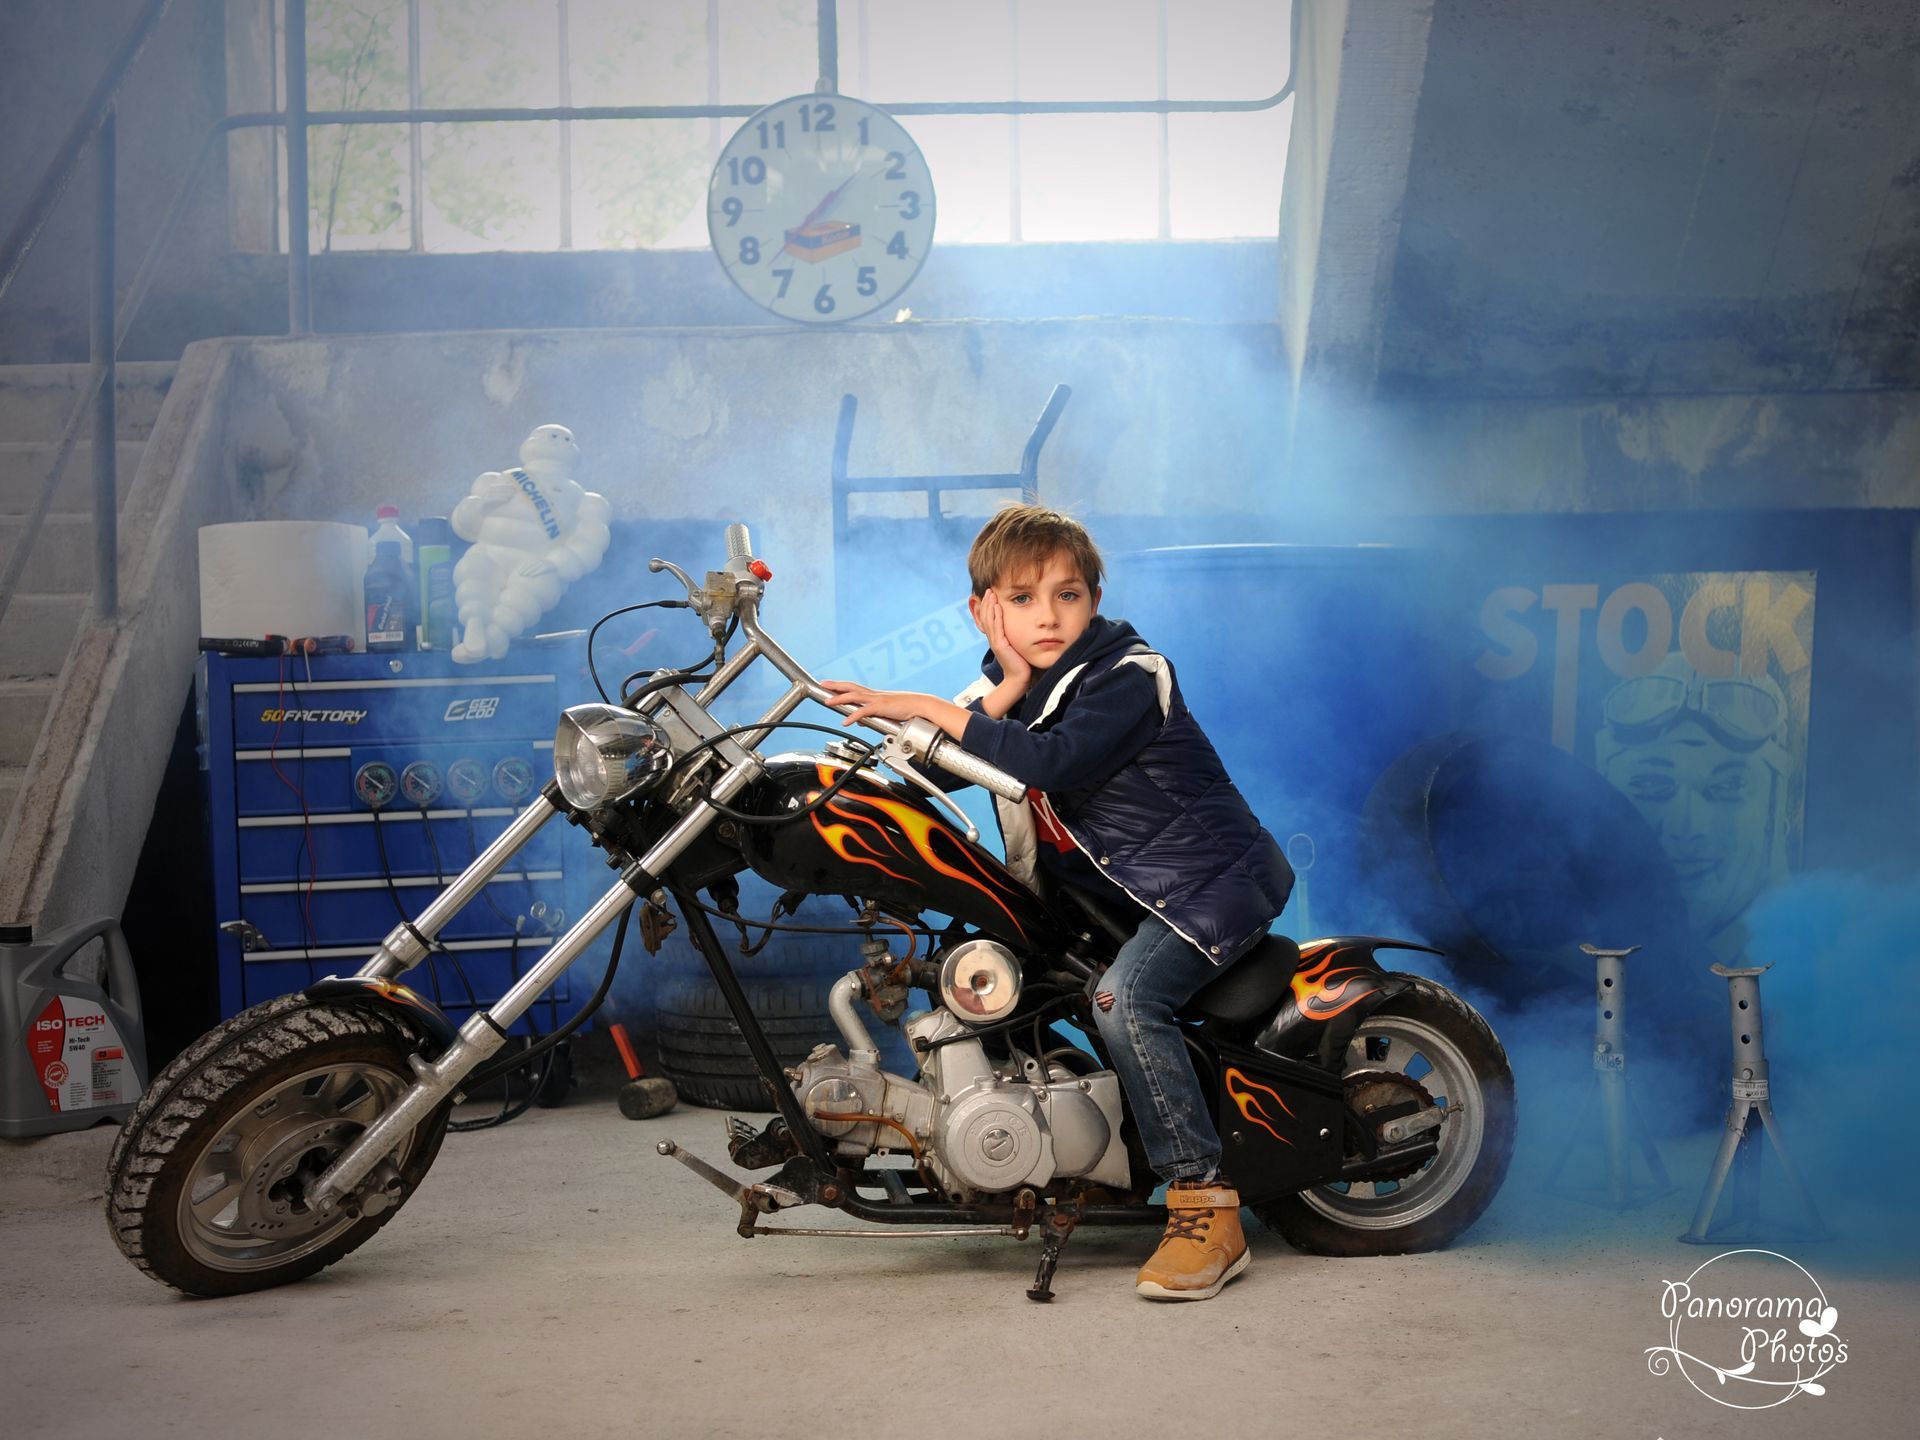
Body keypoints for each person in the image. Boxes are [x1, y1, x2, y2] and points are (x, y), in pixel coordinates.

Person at [822, 504, 1294, 1301]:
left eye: (1067, 595)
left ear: (1095, 600)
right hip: (1127, 904)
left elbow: (1055, 761)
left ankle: (1205, 1206)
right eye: (1022, 598)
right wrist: (979, 699)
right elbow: (932, 775)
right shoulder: (1019, 688)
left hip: (1205, 890)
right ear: (985, 610)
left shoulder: (1129, 675)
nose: (1047, 616)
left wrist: (936, 708)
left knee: (1124, 1000)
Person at [1593, 651, 1795, 966]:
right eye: (1650, 785)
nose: (1687, 828)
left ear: (1778, 808)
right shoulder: (1566, 964)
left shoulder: (1815, 970)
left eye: (1729, 786)